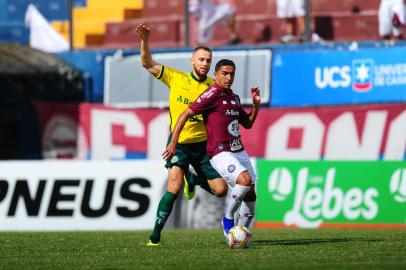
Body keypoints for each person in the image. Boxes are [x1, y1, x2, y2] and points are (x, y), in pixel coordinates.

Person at [135, 24, 228, 246]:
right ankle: (155, 236)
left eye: (208, 60)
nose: (205, 63)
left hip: (203, 146)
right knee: (173, 188)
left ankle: (193, 178)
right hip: (179, 144)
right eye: (201, 59)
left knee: (221, 190)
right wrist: (145, 40)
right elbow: (147, 63)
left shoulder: (214, 88)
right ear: (192, 61)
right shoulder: (176, 78)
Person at [163, 59, 260, 236]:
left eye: (232, 74)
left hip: (239, 151)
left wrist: (255, 105)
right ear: (215, 74)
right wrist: (174, 141)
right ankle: (228, 217)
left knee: (251, 195)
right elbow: (185, 113)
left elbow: (248, 124)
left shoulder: (233, 97)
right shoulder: (211, 94)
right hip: (220, 152)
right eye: (224, 73)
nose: (229, 77)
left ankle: (241, 234)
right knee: (244, 181)